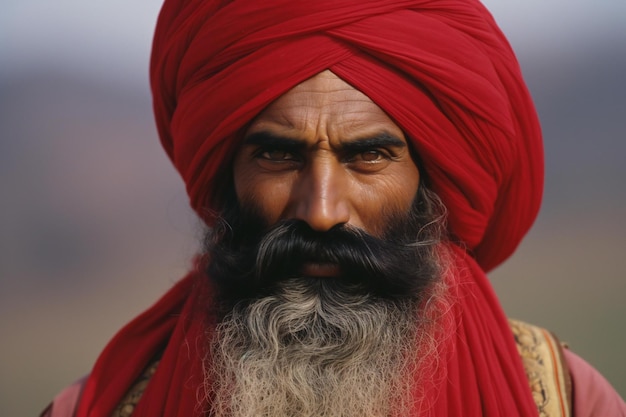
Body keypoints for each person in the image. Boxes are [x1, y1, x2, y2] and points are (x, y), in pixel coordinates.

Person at [42, 1, 625, 416]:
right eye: (277, 154)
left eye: (368, 156)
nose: (320, 211)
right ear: (226, 178)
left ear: (431, 187)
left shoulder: (564, 400)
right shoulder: (101, 406)